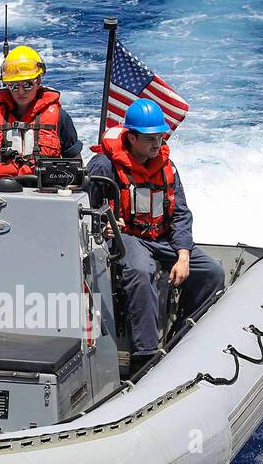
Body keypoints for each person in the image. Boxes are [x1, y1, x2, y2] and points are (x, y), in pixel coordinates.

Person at [86, 98, 225, 375]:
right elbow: (87, 208)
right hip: (127, 238)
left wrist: (184, 255)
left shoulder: (167, 167)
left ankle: (180, 334)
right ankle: (145, 355)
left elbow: (181, 215)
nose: (157, 144)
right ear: (132, 137)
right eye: (150, 139)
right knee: (140, 269)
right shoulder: (104, 166)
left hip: (162, 239)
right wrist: (103, 225)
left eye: (160, 137)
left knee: (212, 273)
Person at [0, 44, 82, 179]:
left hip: (46, 194)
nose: (20, 91)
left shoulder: (60, 117)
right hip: (2, 192)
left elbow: (75, 163)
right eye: (14, 86)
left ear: (38, 81)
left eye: (27, 85)